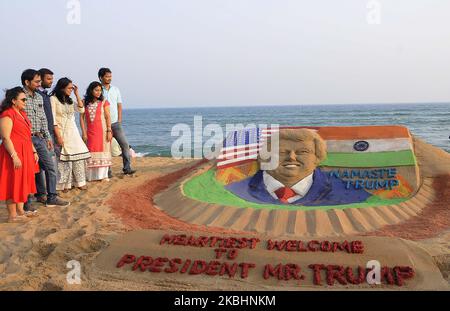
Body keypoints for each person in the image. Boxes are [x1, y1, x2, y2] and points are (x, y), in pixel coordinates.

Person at [225, 129, 371, 206]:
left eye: (303, 152)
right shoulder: (233, 191)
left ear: (317, 158)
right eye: (281, 152)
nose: (292, 157)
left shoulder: (354, 195)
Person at [21, 69, 70, 208]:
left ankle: (52, 197)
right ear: (27, 82)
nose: (39, 84)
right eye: (36, 81)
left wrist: (48, 138)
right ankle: (28, 202)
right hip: (25, 139)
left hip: (40, 138)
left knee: (50, 167)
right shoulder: (19, 96)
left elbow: (43, 118)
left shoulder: (39, 97)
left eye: (39, 81)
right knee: (29, 171)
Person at [0, 87, 40, 223]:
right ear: (13, 100)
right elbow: (5, 137)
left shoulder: (21, 113)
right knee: (12, 182)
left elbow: (27, 135)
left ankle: (21, 211)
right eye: (23, 99)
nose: (25, 102)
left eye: (26, 99)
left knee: (23, 181)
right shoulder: (7, 114)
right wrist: (14, 155)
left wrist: (34, 150)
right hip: (14, 152)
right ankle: (12, 215)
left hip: (26, 150)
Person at [51, 78, 91, 191]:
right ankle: (64, 185)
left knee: (78, 157)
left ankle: (80, 182)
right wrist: (58, 136)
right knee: (64, 159)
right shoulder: (53, 99)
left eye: (72, 88)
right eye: (69, 88)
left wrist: (77, 94)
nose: (71, 90)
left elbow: (81, 110)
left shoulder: (69, 100)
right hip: (61, 131)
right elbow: (53, 119)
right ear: (62, 88)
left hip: (73, 132)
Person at [98, 68, 136, 176]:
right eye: (107, 76)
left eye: (110, 76)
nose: (109, 78)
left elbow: (119, 105)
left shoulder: (116, 89)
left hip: (116, 123)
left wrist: (119, 120)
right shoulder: (98, 90)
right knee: (107, 149)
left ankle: (127, 168)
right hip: (104, 124)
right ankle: (108, 172)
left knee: (125, 145)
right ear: (101, 77)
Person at [80, 82, 113, 181]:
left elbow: (108, 117)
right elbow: (81, 119)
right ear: (91, 90)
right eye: (96, 90)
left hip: (103, 132)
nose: (99, 92)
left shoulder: (104, 102)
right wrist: (84, 132)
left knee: (103, 152)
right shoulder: (84, 102)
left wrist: (109, 130)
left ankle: (103, 176)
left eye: (100, 90)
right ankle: (91, 177)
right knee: (90, 151)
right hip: (90, 132)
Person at [34, 68, 56, 204]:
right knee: (40, 167)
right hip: (38, 136)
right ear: (41, 79)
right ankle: (42, 194)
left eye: (52, 79)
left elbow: (46, 117)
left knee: (46, 165)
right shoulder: (36, 95)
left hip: (47, 134)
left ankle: (46, 193)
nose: (51, 81)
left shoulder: (45, 95)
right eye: (48, 79)